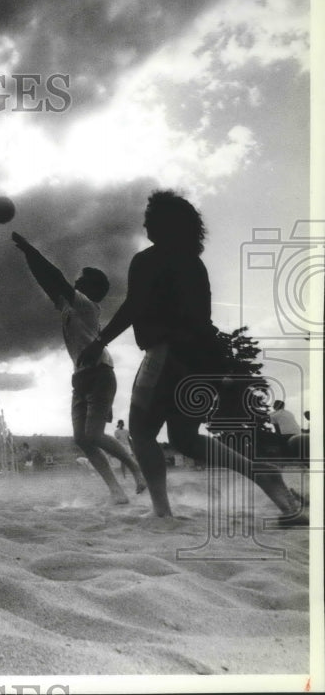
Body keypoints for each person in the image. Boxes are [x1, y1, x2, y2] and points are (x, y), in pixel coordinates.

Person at [79, 190, 304, 523]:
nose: (144, 222)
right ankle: (263, 473)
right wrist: (216, 369)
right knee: (184, 439)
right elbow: (202, 320)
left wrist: (100, 340)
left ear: (163, 223)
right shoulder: (194, 263)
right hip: (201, 358)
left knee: (142, 433)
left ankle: (162, 512)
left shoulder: (147, 260)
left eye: (150, 217)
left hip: (165, 354)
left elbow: (134, 306)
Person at [13, 232, 147, 503]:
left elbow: (57, 277)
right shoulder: (69, 306)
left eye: (82, 279)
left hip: (100, 372)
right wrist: (29, 257)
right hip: (82, 376)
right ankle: (116, 492)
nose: (76, 281)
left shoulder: (86, 305)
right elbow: (48, 282)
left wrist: (31, 249)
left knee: (94, 434)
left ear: (92, 289)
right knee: (83, 439)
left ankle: (136, 469)